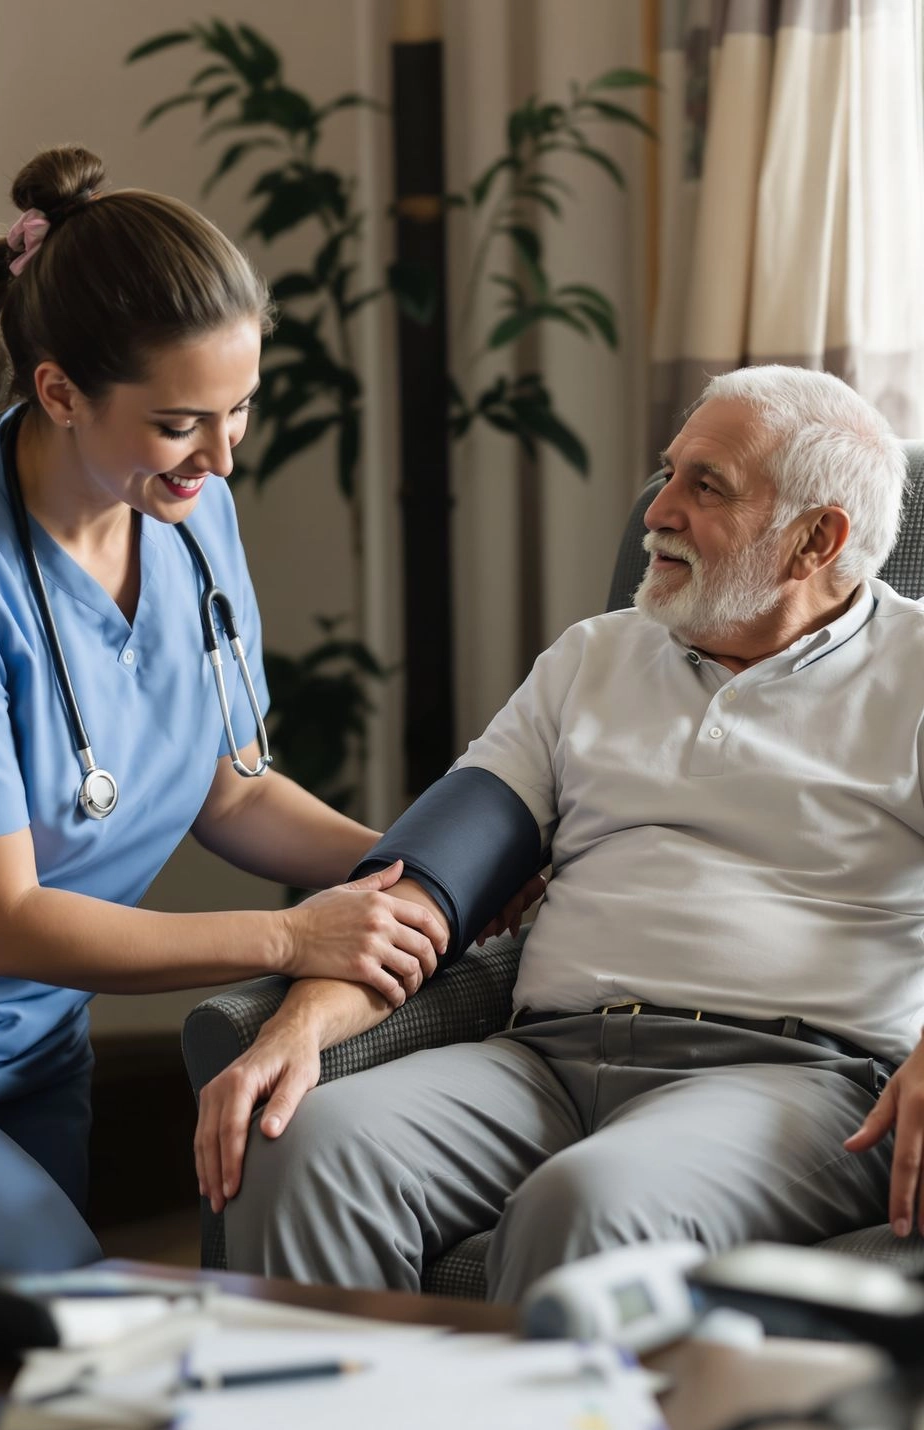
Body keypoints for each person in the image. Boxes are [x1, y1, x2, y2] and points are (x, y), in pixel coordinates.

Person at [0, 144, 450, 1326]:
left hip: (36, 1046)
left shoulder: (185, 510)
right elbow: (8, 922)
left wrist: (413, 864)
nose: (224, 459)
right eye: (182, 423)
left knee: (16, 1388)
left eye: (239, 412)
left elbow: (232, 789)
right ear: (60, 390)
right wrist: (289, 938)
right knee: (77, 1325)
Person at [197, 364, 924, 1300]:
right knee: (300, 1144)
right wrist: (296, 1029)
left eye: (707, 487)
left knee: (585, 1204)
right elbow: (424, 883)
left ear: (817, 539)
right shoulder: (594, 655)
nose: (658, 511)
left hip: (797, 1081)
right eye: (669, 474)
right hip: (543, 1058)